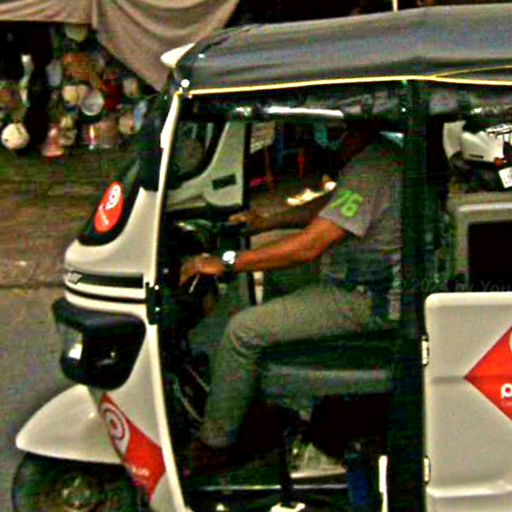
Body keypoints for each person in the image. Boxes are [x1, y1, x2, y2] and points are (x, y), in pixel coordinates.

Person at [179, 121, 403, 470]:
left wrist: (225, 262)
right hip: (361, 275)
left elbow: (308, 247)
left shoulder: (371, 169)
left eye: (335, 131)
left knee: (242, 331)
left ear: (357, 129)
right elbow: (332, 207)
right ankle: (264, 387)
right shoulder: (377, 157)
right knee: (278, 273)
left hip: (371, 296)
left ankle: (215, 445)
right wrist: (268, 222)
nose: (327, 140)